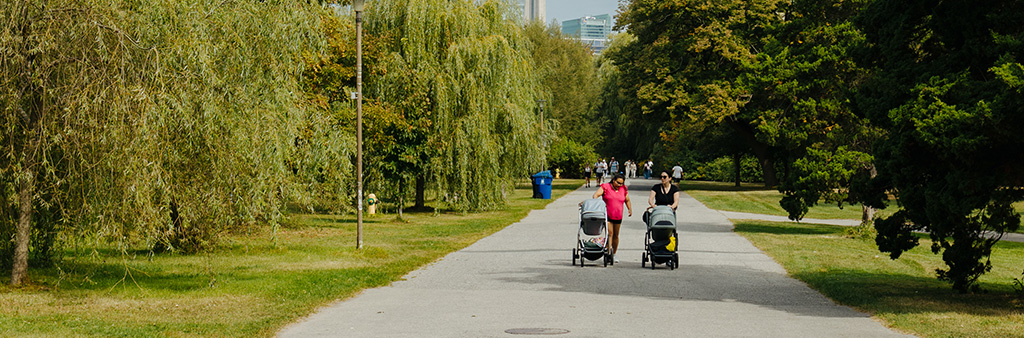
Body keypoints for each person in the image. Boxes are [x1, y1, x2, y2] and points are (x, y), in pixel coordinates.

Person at [592, 173, 632, 263]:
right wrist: (597, 204)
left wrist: (629, 208)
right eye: (618, 183)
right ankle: (608, 253)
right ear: (613, 180)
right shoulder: (606, 187)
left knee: (616, 235)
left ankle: (614, 253)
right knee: (610, 233)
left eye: (621, 183)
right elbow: (595, 195)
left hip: (618, 215)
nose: (619, 185)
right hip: (607, 215)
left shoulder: (623, 189)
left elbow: (627, 200)